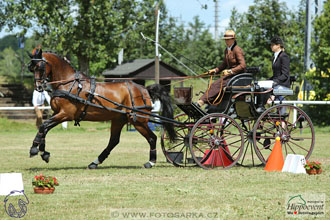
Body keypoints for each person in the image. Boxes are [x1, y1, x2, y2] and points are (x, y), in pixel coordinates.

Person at [197, 30, 246, 107]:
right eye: (225, 39)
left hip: (237, 76)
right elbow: (223, 65)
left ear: (233, 39)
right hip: (230, 76)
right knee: (214, 84)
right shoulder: (226, 50)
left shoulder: (237, 50)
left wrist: (230, 71)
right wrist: (215, 70)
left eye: (228, 39)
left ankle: (202, 101)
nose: (226, 41)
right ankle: (212, 105)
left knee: (217, 84)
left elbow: (243, 65)